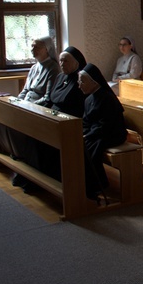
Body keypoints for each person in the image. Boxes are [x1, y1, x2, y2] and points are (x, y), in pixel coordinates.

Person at [0, 36, 61, 164]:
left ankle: (23, 156)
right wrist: (15, 102)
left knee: (13, 126)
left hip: (38, 108)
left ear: (47, 49)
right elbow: (25, 90)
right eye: (32, 46)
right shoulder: (34, 67)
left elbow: (48, 97)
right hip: (25, 105)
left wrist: (28, 106)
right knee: (0, 122)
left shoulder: (53, 68)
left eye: (37, 47)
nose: (33, 49)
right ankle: (15, 152)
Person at [26, 46, 89, 183]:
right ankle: (36, 176)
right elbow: (50, 100)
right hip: (53, 118)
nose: (61, 64)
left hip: (70, 122)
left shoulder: (81, 80)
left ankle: (53, 178)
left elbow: (81, 108)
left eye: (65, 61)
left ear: (76, 62)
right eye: (60, 61)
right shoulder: (60, 77)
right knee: (32, 133)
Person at [78, 63, 128, 202]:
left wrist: (88, 135)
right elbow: (86, 122)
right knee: (82, 146)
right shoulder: (88, 99)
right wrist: (84, 132)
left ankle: (95, 186)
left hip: (112, 133)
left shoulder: (107, 98)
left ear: (93, 82)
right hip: (97, 133)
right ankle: (93, 184)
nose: (79, 85)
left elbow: (107, 124)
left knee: (90, 148)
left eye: (82, 81)